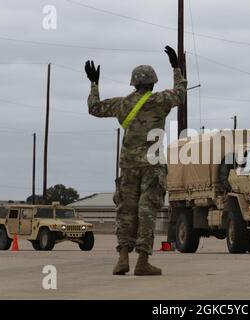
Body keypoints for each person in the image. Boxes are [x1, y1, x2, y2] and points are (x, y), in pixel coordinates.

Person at [85, 45, 187, 276]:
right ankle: (142, 261)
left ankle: (122, 258)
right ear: (152, 83)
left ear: (133, 83)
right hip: (152, 165)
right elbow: (180, 93)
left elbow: (94, 108)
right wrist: (176, 67)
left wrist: (94, 84)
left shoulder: (123, 104)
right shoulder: (161, 100)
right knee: (147, 211)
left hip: (128, 165)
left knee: (125, 211)